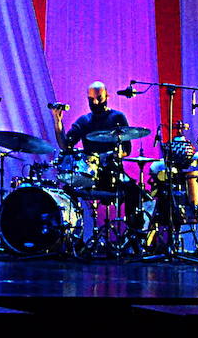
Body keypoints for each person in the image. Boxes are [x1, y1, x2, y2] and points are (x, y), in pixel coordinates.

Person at [54, 81, 145, 244]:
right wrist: (57, 121)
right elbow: (65, 146)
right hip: (89, 175)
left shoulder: (117, 117)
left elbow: (127, 148)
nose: (95, 103)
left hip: (113, 173)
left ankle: (134, 238)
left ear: (107, 97)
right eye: (91, 99)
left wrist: (112, 154)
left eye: (99, 98)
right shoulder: (84, 121)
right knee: (66, 191)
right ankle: (72, 238)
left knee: (135, 192)